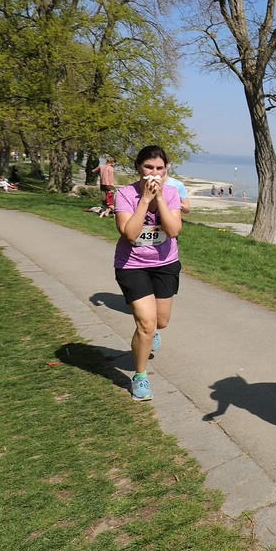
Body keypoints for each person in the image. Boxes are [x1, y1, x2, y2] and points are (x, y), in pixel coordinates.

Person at [113, 145, 183, 401]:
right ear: (138, 167)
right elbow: (129, 234)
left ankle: (153, 329)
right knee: (145, 323)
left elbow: (174, 230)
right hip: (132, 265)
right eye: (148, 167)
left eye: (159, 169)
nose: (154, 173)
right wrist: (144, 199)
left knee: (160, 322)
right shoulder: (125, 194)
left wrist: (161, 199)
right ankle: (140, 377)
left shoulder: (173, 193)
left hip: (165, 263)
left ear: (166, 170)